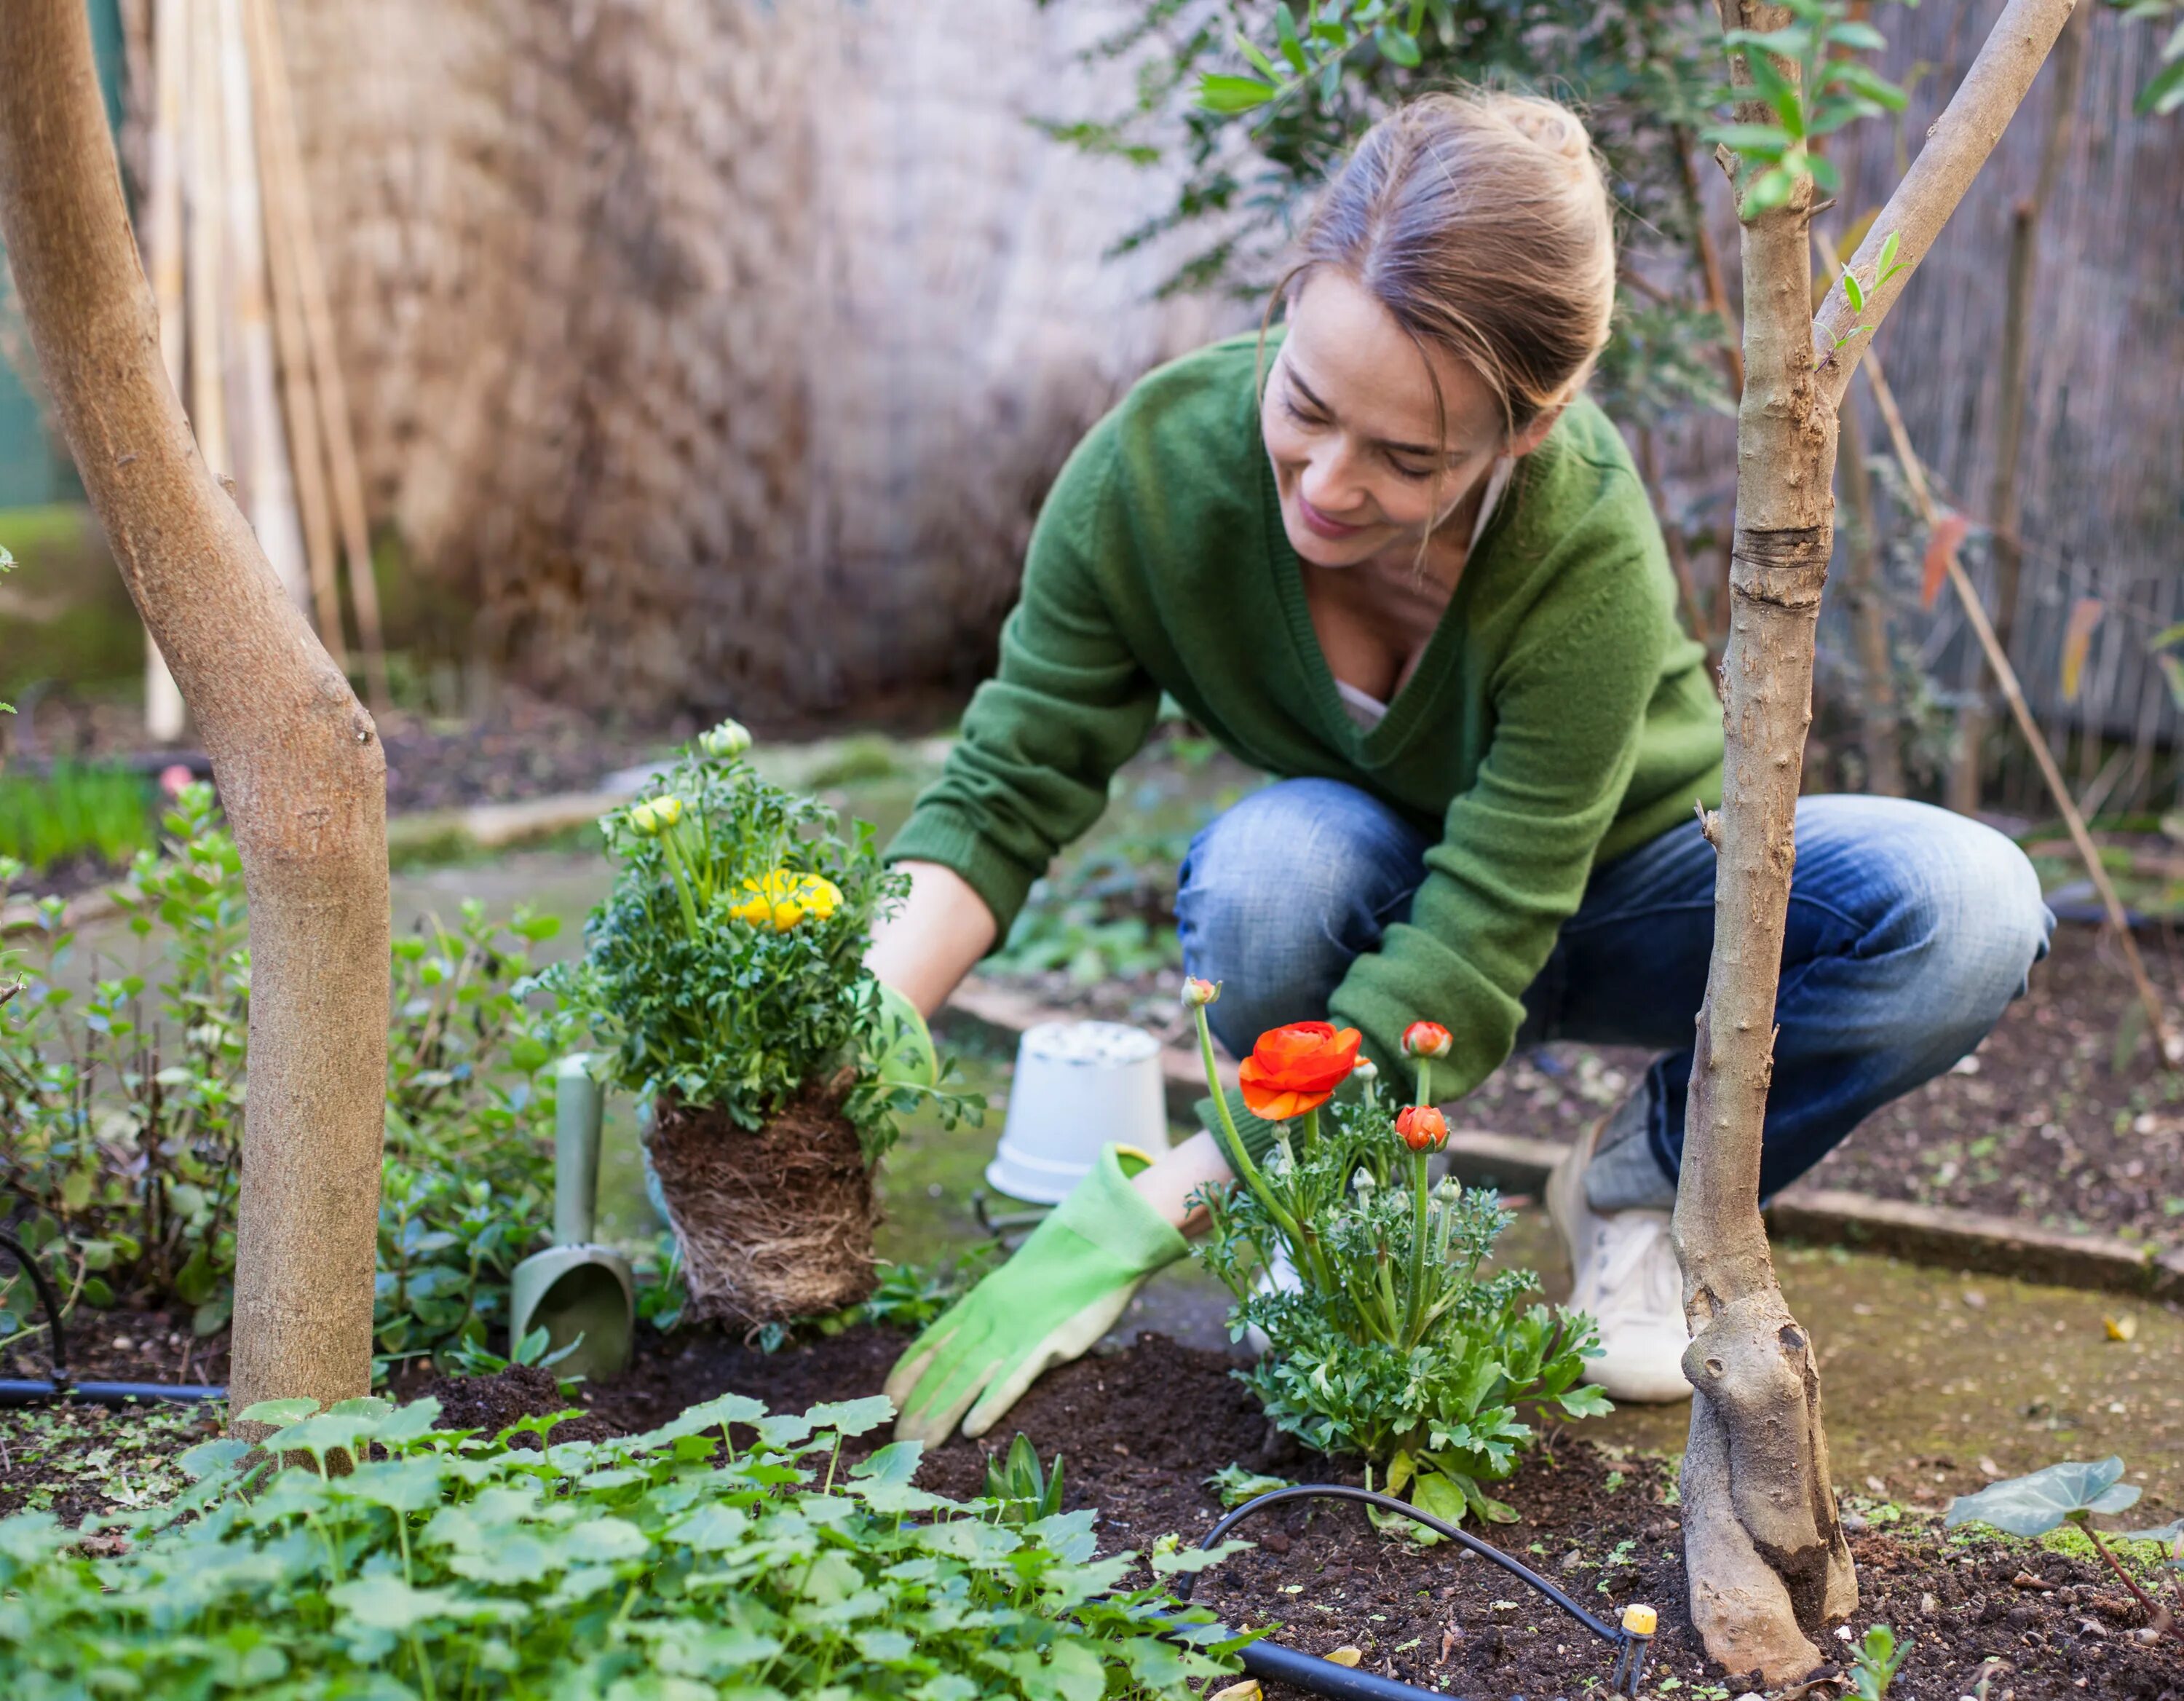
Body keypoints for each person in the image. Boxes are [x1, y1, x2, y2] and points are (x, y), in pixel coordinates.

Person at [864, 90, 2052, 1447]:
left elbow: (1483, 934)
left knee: (1969, 908)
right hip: (1373, 900)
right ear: (1292, 298)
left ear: (1524, 435)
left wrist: (1168, 1197)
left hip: (1630, 896)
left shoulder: (1578, 538)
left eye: (1408, 459)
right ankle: (1336, 1198)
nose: (1323, 483)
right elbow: (1009, 783)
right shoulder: (1152, 477)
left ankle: (1634, 1189)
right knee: (1274, 865)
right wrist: (854, 1024)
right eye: (1304, 405)